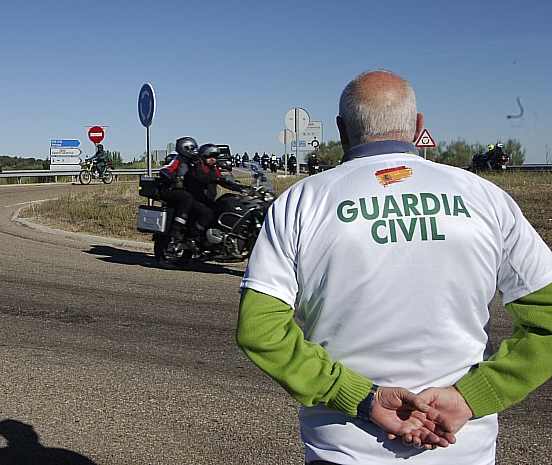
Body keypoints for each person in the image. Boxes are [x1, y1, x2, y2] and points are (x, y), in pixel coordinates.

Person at [236, 69, 552, 464]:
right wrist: (474, 396)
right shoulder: (485, 198)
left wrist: (359, 397)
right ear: (419, 126)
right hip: (461, 446)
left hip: (343, 449)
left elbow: (260, 330)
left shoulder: (300, 202)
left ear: (341, 130)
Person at [182, 143, 243, 249]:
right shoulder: (197, 165)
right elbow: (201, 177)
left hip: (207, 200)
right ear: (203, 156)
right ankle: (190, 237)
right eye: (209, 157)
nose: (212, 159)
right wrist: (218, 179)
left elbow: (222, 180)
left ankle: (215, 241)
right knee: (208, 214)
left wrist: (240, 187)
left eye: (215, 157)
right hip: (194, 199)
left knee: (223, 209)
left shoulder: (214, 169)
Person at [159, 136, 199, 248]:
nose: (194, 151)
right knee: (188, 199)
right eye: (192, 149)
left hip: (185, 190)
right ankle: (176, 228)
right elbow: (165, 170)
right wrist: (173, 178)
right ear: (184, 148)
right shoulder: (177, 159)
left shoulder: (193, 161)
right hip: (171, 190)